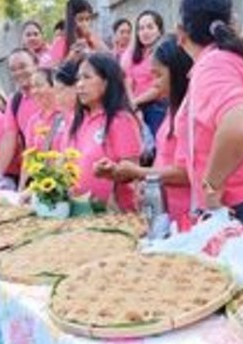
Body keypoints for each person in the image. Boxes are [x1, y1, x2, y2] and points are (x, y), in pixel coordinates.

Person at [174, 0, 243, 229]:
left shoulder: (213, 65)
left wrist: (211, 185)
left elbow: (240, 123)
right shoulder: (229, 58)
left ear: (180, 33)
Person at [113, 34, 193, 223]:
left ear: (178, 71)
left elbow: (186, 173)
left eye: (158, 75)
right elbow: (164, 158)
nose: (154, 83)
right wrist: (144, 182)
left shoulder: (189, 113)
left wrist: (139, 172)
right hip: (166, 210)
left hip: (186, 213)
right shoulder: (172, 109)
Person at [60, 53, 142, 212]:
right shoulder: (75, 120)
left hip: (114, 216)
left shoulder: (121, 120)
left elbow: (132, 172)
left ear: (106, 82)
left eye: (87, 77)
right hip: (75, 212)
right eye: (78, 79)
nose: (80, 85)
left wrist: (112, 171)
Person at [0, 48, 41, 190]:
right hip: (32, 170)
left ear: (36, 64)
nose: (18, 72)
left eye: (23, 66)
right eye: (13, 69)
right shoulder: (15, 101)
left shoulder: (52, 92)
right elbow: (9, 139)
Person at [18, 68, 66, 190]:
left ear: (54, 86)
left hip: (66, 182)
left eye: (39, 85)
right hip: (45, 186)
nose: (34, 91)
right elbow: (29, 157)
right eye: (32, 87)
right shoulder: (33, 121)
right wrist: (21, 188)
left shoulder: (68, 115)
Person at [122, 10, 167, 138]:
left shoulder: (163, 52)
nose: (145, 32)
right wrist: (133, 107)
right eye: (141, 28)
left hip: (156, 106)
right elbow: (127, 79)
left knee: (155, 146)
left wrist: (135, 103)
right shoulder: (133, 53)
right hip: (134, 106)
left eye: (150, 27)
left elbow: (159, 88)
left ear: (159, 30)